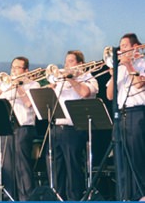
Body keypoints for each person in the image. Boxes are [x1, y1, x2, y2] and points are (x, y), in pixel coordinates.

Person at [50, 50, 99, 201]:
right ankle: (58, 198)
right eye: (65, 62)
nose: (66, 65)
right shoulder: (61, 81)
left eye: (70, 61)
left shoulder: (88, 78)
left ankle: (75, 199)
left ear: (80, 64)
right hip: (57, 127)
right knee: (57, 169)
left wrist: (71, 79)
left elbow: (85, 93)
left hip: (74, 129)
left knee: (73, 168)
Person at [105, 33, 145, 200]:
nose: (121, 50)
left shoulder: (142, 63)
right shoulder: (119, 68)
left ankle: (140, 196)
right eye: (120, 46)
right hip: (120, 115)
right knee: (120, 159)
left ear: (135, 47)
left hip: (137, 113)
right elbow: (109, 95)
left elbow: (139, 84)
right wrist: (114, 72)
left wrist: (129, 65)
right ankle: (124, 196)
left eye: (125, 46)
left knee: (137, 158)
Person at [0, 56, 37, 201]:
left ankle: (26, 198)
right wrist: (1, 89)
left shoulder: (33, 84)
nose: (13, 71)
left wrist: (19, 86)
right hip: (7, 128)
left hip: (23, 128)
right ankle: (9, 198)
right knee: (7, 167)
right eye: (12, 67)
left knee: (22, 167)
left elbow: (29, 104)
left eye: (17, 68)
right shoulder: (6, 85)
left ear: (26, 70)